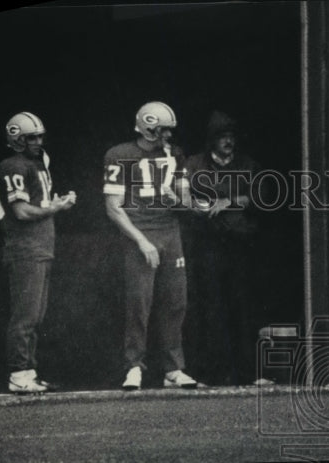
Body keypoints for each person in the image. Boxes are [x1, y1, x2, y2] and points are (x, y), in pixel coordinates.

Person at [104, 101, 197, 390]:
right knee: (139, 304)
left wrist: (176, 199)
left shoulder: (175, 154)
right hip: (139, 233)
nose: (168, 136)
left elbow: (187, 201)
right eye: (163, 130)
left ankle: (173, 369)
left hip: (170, 233)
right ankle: (133, 365)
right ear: (147, 127)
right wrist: (142, 241)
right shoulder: (119, 155)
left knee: (175, 302)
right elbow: (113, 207)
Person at [0, 111, 76, 394]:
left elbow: (37, 203)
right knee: (25, 316)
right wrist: (56, 208)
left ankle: (28, 371)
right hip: (25, 248)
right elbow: (21, 210)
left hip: (41, 247)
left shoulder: (37, 164)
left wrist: (56, 202)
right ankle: (18, 373)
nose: (38, 141)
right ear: (16, 140)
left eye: (40, 136)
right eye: (31, 137)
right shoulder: (12, 165)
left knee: (35, 315)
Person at [183, 110, 262, 386]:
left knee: (241, 307)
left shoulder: (247, 164)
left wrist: (227, 201)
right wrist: (200, 206)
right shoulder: (194, 164)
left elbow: (258, 197)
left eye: (231, 136)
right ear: (212, 140)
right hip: (206, 245)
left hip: (239, 245)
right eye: (222, 137)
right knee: (209, 308)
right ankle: (212, 373)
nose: (228, 141)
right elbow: (184, 198)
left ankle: (247, 373)